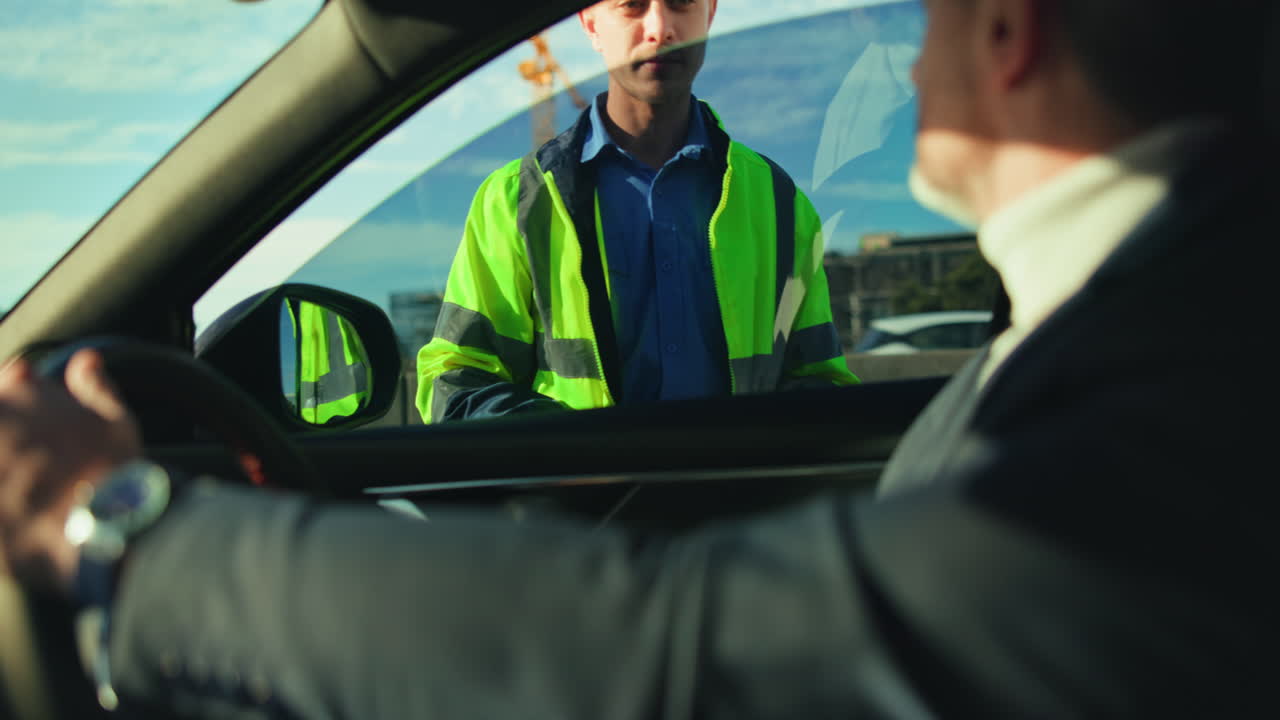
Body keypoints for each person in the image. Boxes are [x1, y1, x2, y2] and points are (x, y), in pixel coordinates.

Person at [1, 0, 1275, 716]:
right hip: (576, 522)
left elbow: (669, 641)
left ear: (1007, 34)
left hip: (714, 570)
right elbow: (452, 387)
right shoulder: (522, 204)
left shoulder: (1167, 398)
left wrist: (121, 524)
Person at [415, 0, 858, 423]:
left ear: (711, 14)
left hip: (742, 497)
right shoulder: (515, 199)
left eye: (682, 2)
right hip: (580, 500)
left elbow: (819, 382)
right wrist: (567, 455)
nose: (660, 28)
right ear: (590, 22)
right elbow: (454, 381)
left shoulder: (777, 198)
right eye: (632, 5)